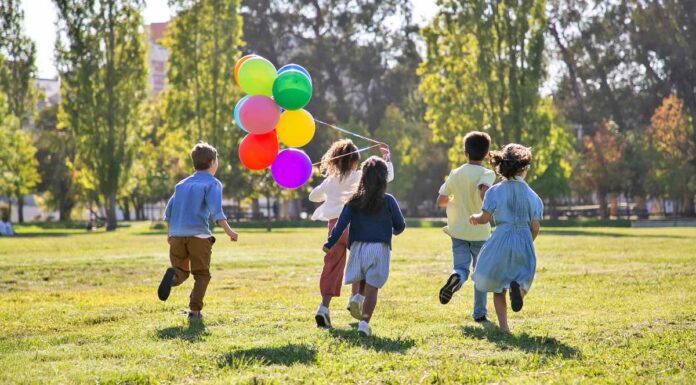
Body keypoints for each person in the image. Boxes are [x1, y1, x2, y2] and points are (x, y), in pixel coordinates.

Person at [309, 139, 393, 328]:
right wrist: (387, 158)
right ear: (355, 161)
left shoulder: (330, 180)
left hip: (333, 229)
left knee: (331, 268)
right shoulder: (358, 177)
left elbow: (312, 196)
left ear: (335, 161)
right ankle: (356, 297)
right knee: (362, 262)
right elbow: (386, 177)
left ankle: (323, 307)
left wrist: (329, 190)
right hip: (354, 227)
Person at [323, 156, 405, 336]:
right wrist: (391, 231)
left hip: (358, 248)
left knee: (361, 277)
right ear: (384, 178)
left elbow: (341, 224)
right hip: (379, 248)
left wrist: (330, 243)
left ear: (363, 177)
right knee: (373, 288)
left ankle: (357, 297)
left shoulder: (353, 201)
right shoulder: (389, 200)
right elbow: (400, 225)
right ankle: (364, 323)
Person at [157, 142, 239, 321]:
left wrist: (169, 234)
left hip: (177, 235)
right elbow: (216, 212)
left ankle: (172, 277)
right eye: (217, 161)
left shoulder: (181, 184)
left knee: (181, 271)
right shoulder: (212, 183)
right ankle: (194, 311)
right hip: (198, 236)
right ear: (212, 162)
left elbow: (169, 212)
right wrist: (230, 232)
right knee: (201, 274)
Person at [469, 144, 543, 332]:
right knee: (524, 277)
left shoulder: (494, 191)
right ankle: (518, 291)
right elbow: (535, 227)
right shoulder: (533, 196)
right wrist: (528, 241)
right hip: (524, 238)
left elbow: (485, 218)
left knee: (497, 286)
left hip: (501, 238)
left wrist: (475, 218)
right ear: (524, 168)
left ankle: (504, 328)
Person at [436, 131, 495, 323]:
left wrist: (456, 200)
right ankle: (479, 313)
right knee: (480, 274)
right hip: (479, 231)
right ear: (487, 154)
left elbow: (441, 200)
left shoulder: (456, 173)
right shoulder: (487, 173)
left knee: (461, 268)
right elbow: (483, 191)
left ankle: (455, 278)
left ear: (465, 153)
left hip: (458, 231)